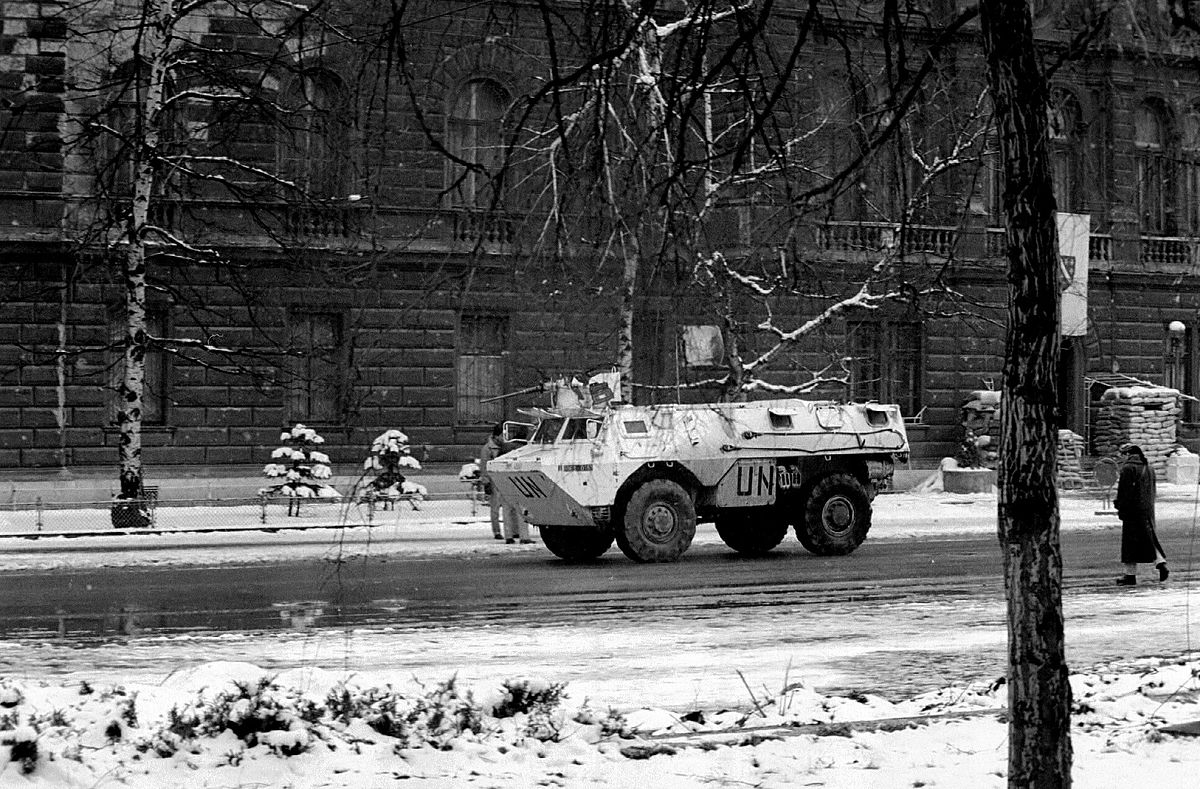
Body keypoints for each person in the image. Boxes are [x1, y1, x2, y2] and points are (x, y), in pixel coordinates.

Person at [1114, 443, 1168, 586]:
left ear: (1128, 455)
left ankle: (1129, 575)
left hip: (1132, 511)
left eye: (1122, 454)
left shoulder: (1127, 469)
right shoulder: (1149, 468)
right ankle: (1161, 563)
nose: (1121, 458)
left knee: (1129, 545)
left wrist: (1120, 507)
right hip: (1147, 510)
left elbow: (1124, 492)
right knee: (1150, 539)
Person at [480, 423, 533, 544]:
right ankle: (522, 536)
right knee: (520, 509)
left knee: (506, 509)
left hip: (502, 481)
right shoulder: (522, 447)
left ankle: (509, 535)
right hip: (518, 481)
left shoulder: (504, 447)